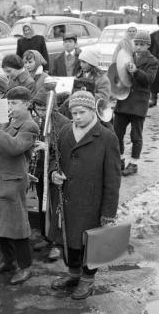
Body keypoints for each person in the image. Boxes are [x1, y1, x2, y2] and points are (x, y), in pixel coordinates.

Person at [50, 90, 120, 300]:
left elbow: (113, 179)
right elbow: (55, 157)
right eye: (73, 112)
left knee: (90, 242)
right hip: (67, 199)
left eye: (81, 112)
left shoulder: (107, 137)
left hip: (92, 201)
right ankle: (73, 273)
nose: (77, 117)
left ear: (92, 111)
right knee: (69, 240)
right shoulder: (64, 132)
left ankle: (87, 280)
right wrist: (54, 172)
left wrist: (108, 213)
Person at [0, 86, 39, 285]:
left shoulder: (30, 126)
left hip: (12, 181)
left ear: (27, 104)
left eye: (14, 103)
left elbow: (14, 148)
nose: (10, 107)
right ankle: (8, 261)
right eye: (9, 103)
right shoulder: (10, 122)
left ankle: (25, 266)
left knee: (16, 226)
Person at [30, 88, 70, 261]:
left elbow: (66, 148)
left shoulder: (63, 122)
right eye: (37, 109)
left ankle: (58, 243)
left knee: (56, 207)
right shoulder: (37, 120)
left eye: (42, 109)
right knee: (43, 206)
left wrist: (48, 147)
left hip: (55, 170)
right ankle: (46, 236)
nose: (39, 112)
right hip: (41, 170)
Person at [114, 31, 158, 176]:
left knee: (135, 136)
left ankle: (134, 164)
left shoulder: (153, 61)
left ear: (148, 46)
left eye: (142, 45)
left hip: (139, 103)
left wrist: (136, 71)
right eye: (137, 44)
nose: (138, 47)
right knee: (117, 133)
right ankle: (119, 159)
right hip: (124, 101)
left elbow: (149, 81)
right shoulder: (128, 56)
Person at [149, 17, 159, 107]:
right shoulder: (153, 35)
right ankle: (154, 98)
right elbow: (149, 49)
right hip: (156, 62)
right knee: (154, 80)